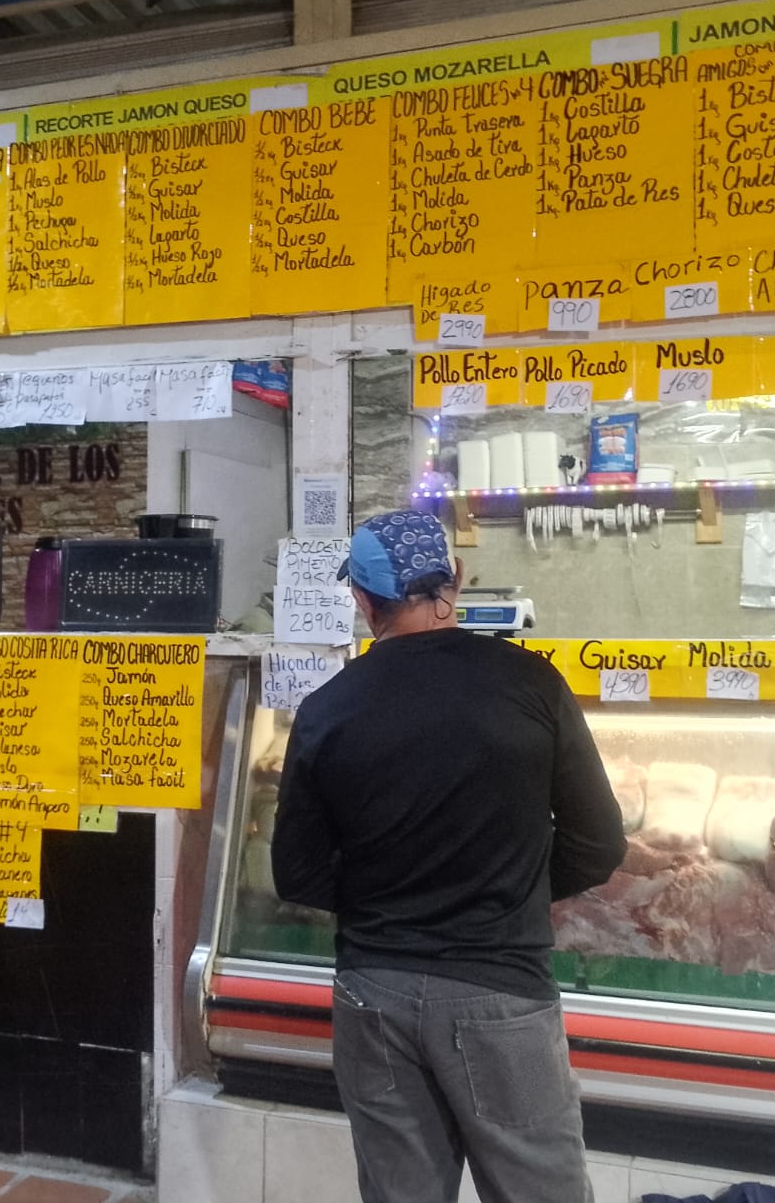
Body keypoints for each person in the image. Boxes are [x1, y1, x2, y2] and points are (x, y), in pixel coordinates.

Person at [271, 509, 626, 1203]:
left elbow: (297, 873)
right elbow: (599, 844)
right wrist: (517, 891)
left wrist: (382, 894)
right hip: (502, 993)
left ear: (362, 600)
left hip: (373, 994)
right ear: (455, 579)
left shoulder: (326, 709)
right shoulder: (532, 684)